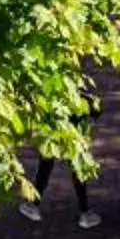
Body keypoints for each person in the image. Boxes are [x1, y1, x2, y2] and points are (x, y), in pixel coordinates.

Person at [19, 86, 104, 230]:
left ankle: (33, 206)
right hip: (74, 138)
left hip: (53, 136)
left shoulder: (51, 93)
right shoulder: (83, 97)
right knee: (78, 173)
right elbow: (97, 111)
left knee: (44, 169)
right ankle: (85, 213)